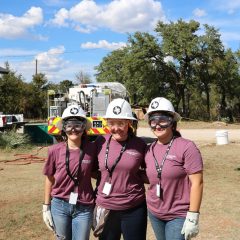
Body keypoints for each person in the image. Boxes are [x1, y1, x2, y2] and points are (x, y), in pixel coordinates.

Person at [144, 97, 203, 240]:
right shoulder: (148, 149)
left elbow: (197, 182)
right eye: (153, 120)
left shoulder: (187, 147)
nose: (157, 125)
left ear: (172, 122)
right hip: (154, 213)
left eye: (163, 120)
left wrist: (193, 215)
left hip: (178, 215)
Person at [93, 98, 147, 240]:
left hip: (134, 207)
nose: (115, 128)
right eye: (111, 123)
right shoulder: (100, 141)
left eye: (121, 123)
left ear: (129, 123)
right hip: (106, 207)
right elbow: (91, 169)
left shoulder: (140, 144)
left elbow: (151, 171)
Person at [42, 104, 97, 240]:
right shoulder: (54, 151)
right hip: (60, 205)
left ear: (84, 128)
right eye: (69, 125)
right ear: (63, 128)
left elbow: (98, 173)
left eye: (78, 125)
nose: (73, 130)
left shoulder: (92, 150)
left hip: (84, 206)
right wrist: (46, 206)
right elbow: (49, 179)